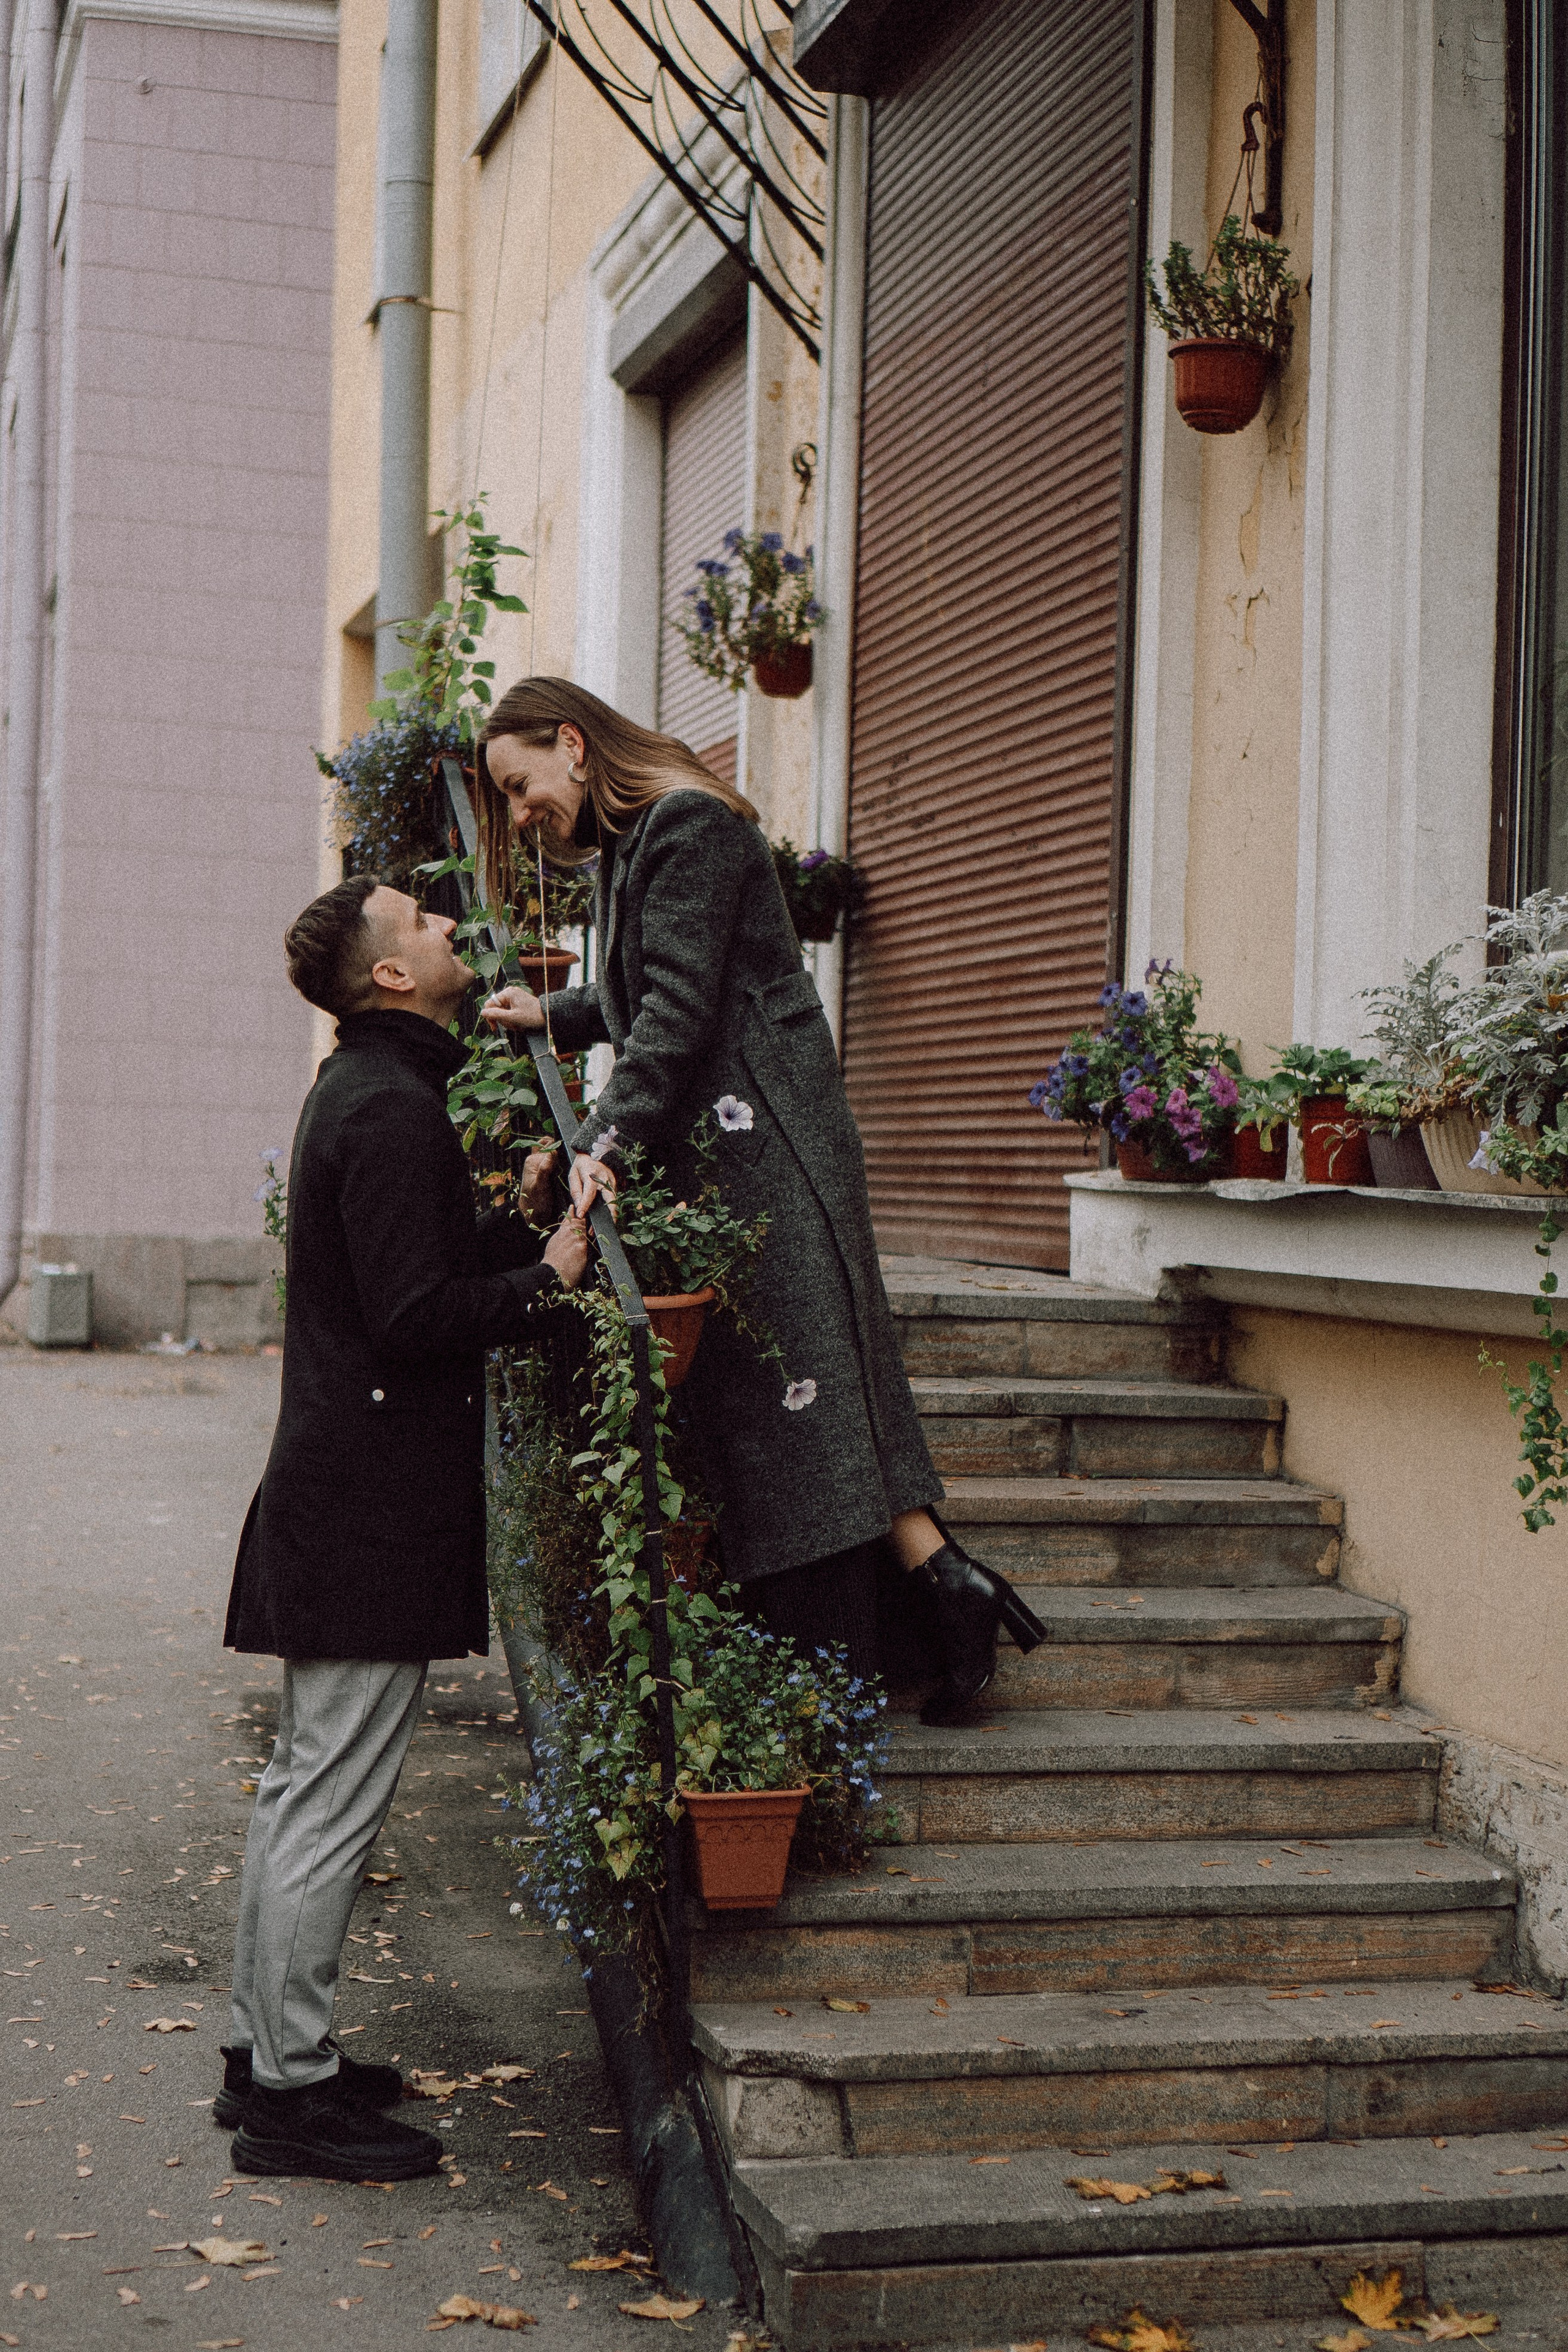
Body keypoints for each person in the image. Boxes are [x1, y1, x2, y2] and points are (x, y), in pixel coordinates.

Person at [477, 676, 1045, 1721]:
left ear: (573, 744)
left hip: (768, 1144)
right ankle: (946, 1590)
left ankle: (902, 1626)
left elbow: (678, 1010)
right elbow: (647, 989)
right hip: (737, 1143)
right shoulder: (640, 842)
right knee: (810, 1386)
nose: (519, 815)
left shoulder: (686, 825)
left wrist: (602, 1142)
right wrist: (552, 1013)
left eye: (520, 786)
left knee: (807, 1386)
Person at [221, 873, 597, 2182]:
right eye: (423, 924)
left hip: (345, 1497)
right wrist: (548, 1281)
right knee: (327, 1800)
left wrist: (517, 1221)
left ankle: (263, 2053)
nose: (446, 927)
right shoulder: (387, 1105)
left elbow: (410, 1262)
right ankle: (290, 2096)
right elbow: (412, 1317)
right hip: (366, 1510)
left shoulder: (376, 1091)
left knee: (301, 1790)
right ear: (390, 975)